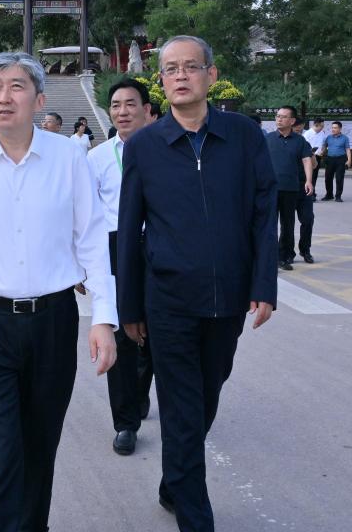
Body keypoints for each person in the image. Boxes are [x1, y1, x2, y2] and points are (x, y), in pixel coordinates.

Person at [0, 51, 117, 532]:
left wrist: (104, 318)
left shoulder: (69, 157)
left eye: (16, 86)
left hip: (52, 322)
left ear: (39, 100)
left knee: (39, 446)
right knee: (1, 450)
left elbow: (92, 240)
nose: (3, 96)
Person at [117, 35, 277, 532]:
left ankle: (174, 482)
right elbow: (129, 228)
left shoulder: (243, 135)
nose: (181, 75)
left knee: (207, 396)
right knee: (183, 408)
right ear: (161, 82)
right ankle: (194, 515)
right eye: (171, 69)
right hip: (168, 299)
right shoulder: (144, 146)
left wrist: (264, 284)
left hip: (228, 296)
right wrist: (129, 307)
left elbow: (263, 212)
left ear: (211, 74)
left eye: (191, 66)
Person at [88, 77, 155, 457]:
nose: (122, 112)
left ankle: (141, 390)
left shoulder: (166, 150)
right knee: (122, 332)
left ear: (147, 110)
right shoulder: (96, 158)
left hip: (160, 246)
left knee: (159, 334)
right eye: (115, 105)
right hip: (115, 247)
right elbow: (85, 216)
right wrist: (84, 265)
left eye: (130, 104)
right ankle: (125, 422)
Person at [266, 106, 314, 271]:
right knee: (268, 224)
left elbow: (307, 160)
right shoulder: (267, 139)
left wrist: (309, 181)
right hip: (270, 189)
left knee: (287, 225)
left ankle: (284, 257)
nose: (279, 119)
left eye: (283, 116)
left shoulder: (300, 141)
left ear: (292, 121)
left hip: (291, 189)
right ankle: (268, 257)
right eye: (277, 116)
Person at [292, 118, 316, 263]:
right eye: (296, 130)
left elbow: (314, 164)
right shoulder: (277, 142)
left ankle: (305, 250)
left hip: (303, 187)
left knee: (308, 219)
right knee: (287, 224)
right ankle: (286, 253)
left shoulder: (304, 143)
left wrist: (311, 155)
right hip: (286, 188)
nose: (298, 133)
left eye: (300, 130)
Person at [321, 121, 352, 202]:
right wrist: (320, 153)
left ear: (340, 129)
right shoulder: (328, 137)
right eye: (332, 128)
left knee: (339, 178)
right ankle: (329, 195)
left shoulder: (345, 138)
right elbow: (324, 147)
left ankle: (338, 196)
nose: (333, 129)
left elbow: (347, 149)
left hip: (341, 159)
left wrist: (349, 160)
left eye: (335, 128)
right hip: (330, 159)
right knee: (328, 178)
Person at [301, 118, 327, 199]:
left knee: (315, 175)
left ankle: (313, 192)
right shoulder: (307, 134)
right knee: (308, 175)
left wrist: (323, 151)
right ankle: (308, 193)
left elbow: (323, 144)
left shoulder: (322, 133)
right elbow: (304, 146)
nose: (322, 128)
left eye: (323, 126)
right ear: (316, 125)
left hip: (318, 156)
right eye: (321, 126)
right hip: (308, 157)